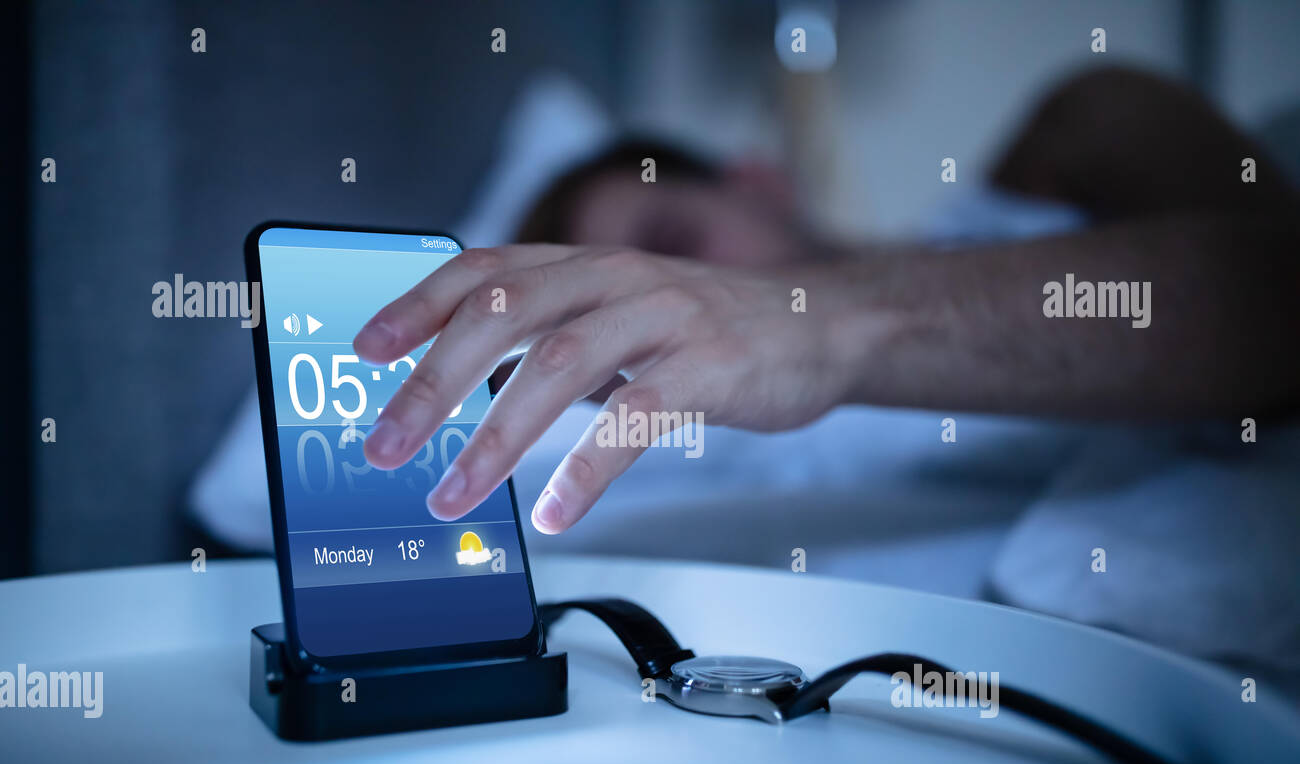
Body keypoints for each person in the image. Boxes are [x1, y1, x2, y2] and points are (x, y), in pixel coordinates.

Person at [351, 66, 1299, 540]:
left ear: (761, 182)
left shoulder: (1065, 161)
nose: (664, 300)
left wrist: (819, 317)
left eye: (675, 248)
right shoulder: (702, 454)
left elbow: (1276, 292)